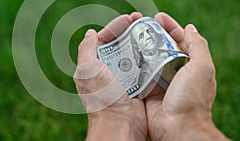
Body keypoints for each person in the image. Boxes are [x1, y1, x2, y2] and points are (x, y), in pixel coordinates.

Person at [74, 12, 230, 140]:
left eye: (149, 31)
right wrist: (186, 120)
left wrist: (112, 118)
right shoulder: (142, 74)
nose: (147, 36)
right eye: (141, 36)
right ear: (136, 48)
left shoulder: (170, 59)